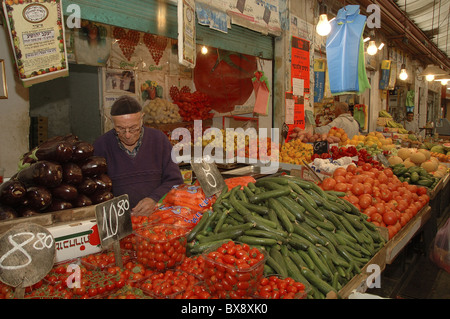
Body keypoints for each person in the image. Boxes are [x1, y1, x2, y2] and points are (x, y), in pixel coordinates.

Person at [93, 95, 183, 214]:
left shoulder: (159, 139)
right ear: (111, 122)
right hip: (119, 221)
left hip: (157, 217)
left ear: (142, 118)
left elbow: (175, 181)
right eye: (120, 129)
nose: (128, 135)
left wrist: (154, 199)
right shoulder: (101, 145)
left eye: (133, 128)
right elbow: (96, 190)